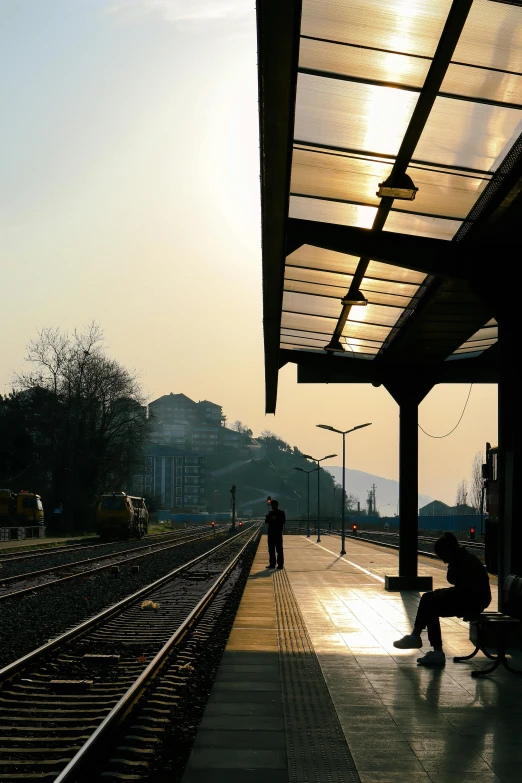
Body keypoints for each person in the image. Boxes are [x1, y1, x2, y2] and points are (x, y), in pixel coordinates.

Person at [393, 531, 491, 665]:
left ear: (449, 551)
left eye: (443, 556)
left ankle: (424, 643)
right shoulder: (463, 558)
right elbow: (464, 588)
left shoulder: (463, 562)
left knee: (430, 604)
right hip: (472, 599)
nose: (444, 560)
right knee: (428, 599)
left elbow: (465, 591)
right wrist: (444, 592)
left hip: (473, 602)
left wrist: (444, 593)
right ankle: (424, 642)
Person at [265, 499, 285, 569]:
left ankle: (280, 564)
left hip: (277, 533)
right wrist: (269, 518)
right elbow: (266, 521)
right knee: (271, 550)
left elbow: (283, 521)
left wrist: (275, 519)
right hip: (272, 533)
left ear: (277, 505)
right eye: (272, 505)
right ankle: (272, 564)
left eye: (274, 505)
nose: (273, 507)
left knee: (279, 550)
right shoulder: (270, 513)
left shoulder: (281, 513)